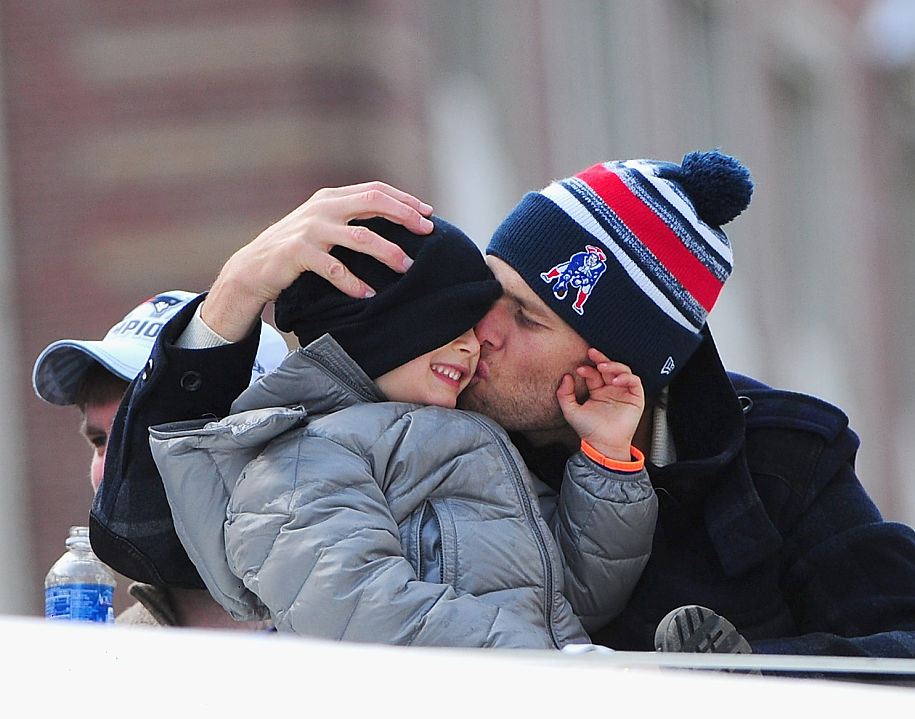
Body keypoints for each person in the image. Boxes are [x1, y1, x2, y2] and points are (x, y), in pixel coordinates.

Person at [92, 156, 915, 682]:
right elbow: (146, 537)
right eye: (490, 291)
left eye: (526, 317)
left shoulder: (776, 459)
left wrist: (719, 680)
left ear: (617, 364)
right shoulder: (407, 407)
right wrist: (237, 294)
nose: (476, 332)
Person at [144, 217, 656, 647]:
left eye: (470, 330)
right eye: (447, 328)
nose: (471, 348)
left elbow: (576, 598)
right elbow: (352, 607)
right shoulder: (303, 456)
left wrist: (607, 458)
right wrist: (537, 660)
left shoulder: (483, 443)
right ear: (383, 330)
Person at [33, 290, 289, 627]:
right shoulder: (110, 651)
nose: (114, 466)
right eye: (99, 440)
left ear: (251, 431)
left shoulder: (353, 609)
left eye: (142, 433)